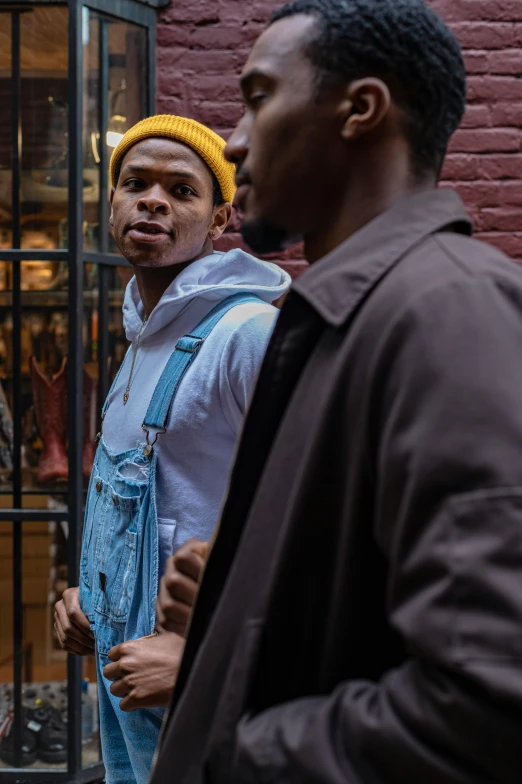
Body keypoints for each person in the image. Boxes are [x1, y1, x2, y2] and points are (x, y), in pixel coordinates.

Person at [150, 2, 522, 782]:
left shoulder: (447, 311)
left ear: (361, 109)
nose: (232, 141)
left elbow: (489, 694)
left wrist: (238, 751)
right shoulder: (346, 313)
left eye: (257, 98)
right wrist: (233, 615)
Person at [53, 114, 290, 784]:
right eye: (136, 183)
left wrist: (199, 656)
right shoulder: (141, 343)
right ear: (112, 203)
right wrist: (85, 598)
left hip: (205, 696)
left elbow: (314, 526)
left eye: (181, 191)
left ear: (219, 221)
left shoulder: (248, 334)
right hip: (129, 686)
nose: (153, 199)